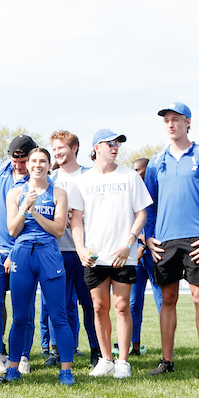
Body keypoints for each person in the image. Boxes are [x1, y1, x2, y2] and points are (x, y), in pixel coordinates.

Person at [144, 102, 199, 378]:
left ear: (188, 122)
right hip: (165, 240)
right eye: (166, 120)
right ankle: (166, 361)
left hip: (197, 239)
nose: (171, 124)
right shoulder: (156, 161)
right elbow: (149, 205)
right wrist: (149, 237)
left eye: (176, 119)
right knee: (167, 298)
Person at [70, 129, 151, 378]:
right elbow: (76, 221)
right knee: (98, 307)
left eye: (118, 143)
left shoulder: (130, 177)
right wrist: (80, 249)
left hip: (122, 254)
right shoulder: (82, 181)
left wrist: (129, 242)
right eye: (110, 143)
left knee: (122, 306)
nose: (115, 147)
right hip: (94, 256)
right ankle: (106, 360)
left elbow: (142, 214)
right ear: (96, 148)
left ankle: (123, 361)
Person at [3, 147, 75, 384]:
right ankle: (13, 368)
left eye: (42, 161)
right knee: (20, 316)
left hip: (49, 254)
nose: (37, 165)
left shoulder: (59, 193)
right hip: (23, 254)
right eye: (33, 161)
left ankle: (66, 370)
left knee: (58, 315)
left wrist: (35, 211)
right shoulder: (15, 193)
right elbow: (13, 230)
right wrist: (24, 208)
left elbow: (57, 229)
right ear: (27, 164)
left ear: (48, 164)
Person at [43, 130, 101, 367]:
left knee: (91, 304)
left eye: (61, 148)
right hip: (58, 251)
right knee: (59, 306)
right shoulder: (50, 179)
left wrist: (78, 215)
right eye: (54, 149)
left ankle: (97, 351)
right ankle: (58, 352)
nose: (57, 153)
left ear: (75, 148)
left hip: (87, 251)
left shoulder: (90, 174)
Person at [0, 136, 35, 374]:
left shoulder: (40, 178)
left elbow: (33, 222)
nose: (19, 166)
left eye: (24, 161)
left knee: (24, 305)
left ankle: (22, 355)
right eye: (15, 160)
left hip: (23, 250)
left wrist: (16, 251)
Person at [128, 157, 161, 357]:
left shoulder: (159, 195)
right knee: (133, 303)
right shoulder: (130, 195)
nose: (135, 173)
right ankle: (135, 346)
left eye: (138, 170)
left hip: (156, 255)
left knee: (162, 301)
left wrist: (148, 241)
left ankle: (168, 350)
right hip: (136, 257)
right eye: (132, 170)